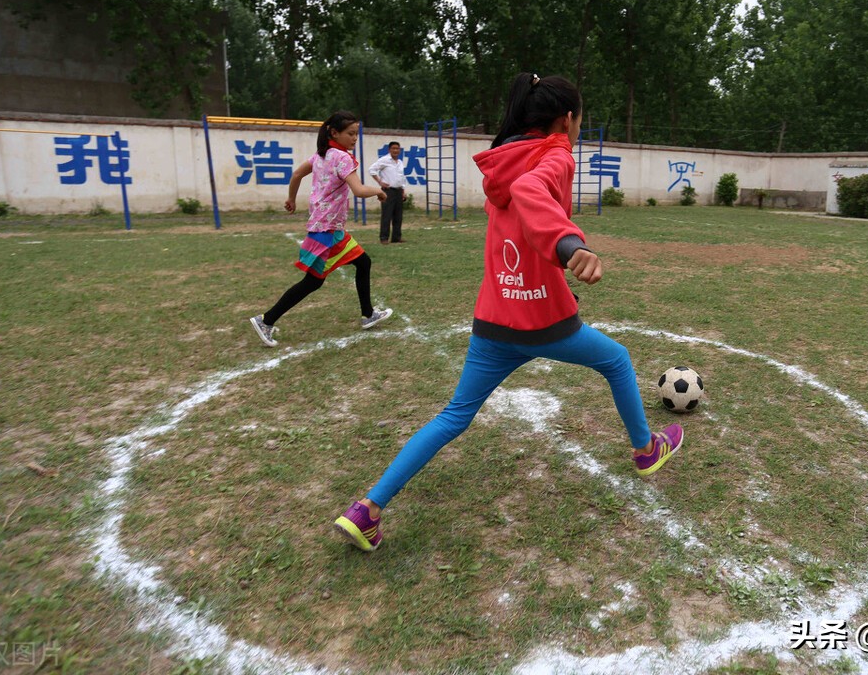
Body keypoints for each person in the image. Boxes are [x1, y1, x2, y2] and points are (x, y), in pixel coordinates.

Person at [333, 73, 683, 551]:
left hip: (495, 321)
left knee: (453, 416)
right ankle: (646, 451)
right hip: (544, 322)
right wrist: (568, 244)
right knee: (617, 360)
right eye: (580, 119)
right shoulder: (555, 154)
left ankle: (366, 510)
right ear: (567, 119)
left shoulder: (505, 157)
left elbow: (520, 201)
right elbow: (532, 194)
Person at [249, 111, 393, 347]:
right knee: (313, 281)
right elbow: (357, 190)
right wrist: (378, 190)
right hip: (327, 229)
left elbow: (296, 174)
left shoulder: (321, 155)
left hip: (327, 227)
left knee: (361, 263)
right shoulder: (342, 158)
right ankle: (266, 320)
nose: (355, 138)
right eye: (350, 134)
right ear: (334, 133)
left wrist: (292, 199)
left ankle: (368, 314)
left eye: (357, 134)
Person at [369, 141, 407, 244]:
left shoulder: (400, 162)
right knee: (387, 215)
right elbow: (372, 170)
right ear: (389, 150)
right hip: (388, 191)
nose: (395, 150)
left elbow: (401, 178)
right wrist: (380, 182)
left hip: (398, 191)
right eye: (393, 148)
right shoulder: (384, 160)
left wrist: (403, 191)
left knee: (398, 216)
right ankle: (384, 238)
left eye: (397, 149)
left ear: (400, 150)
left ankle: (396, 237)